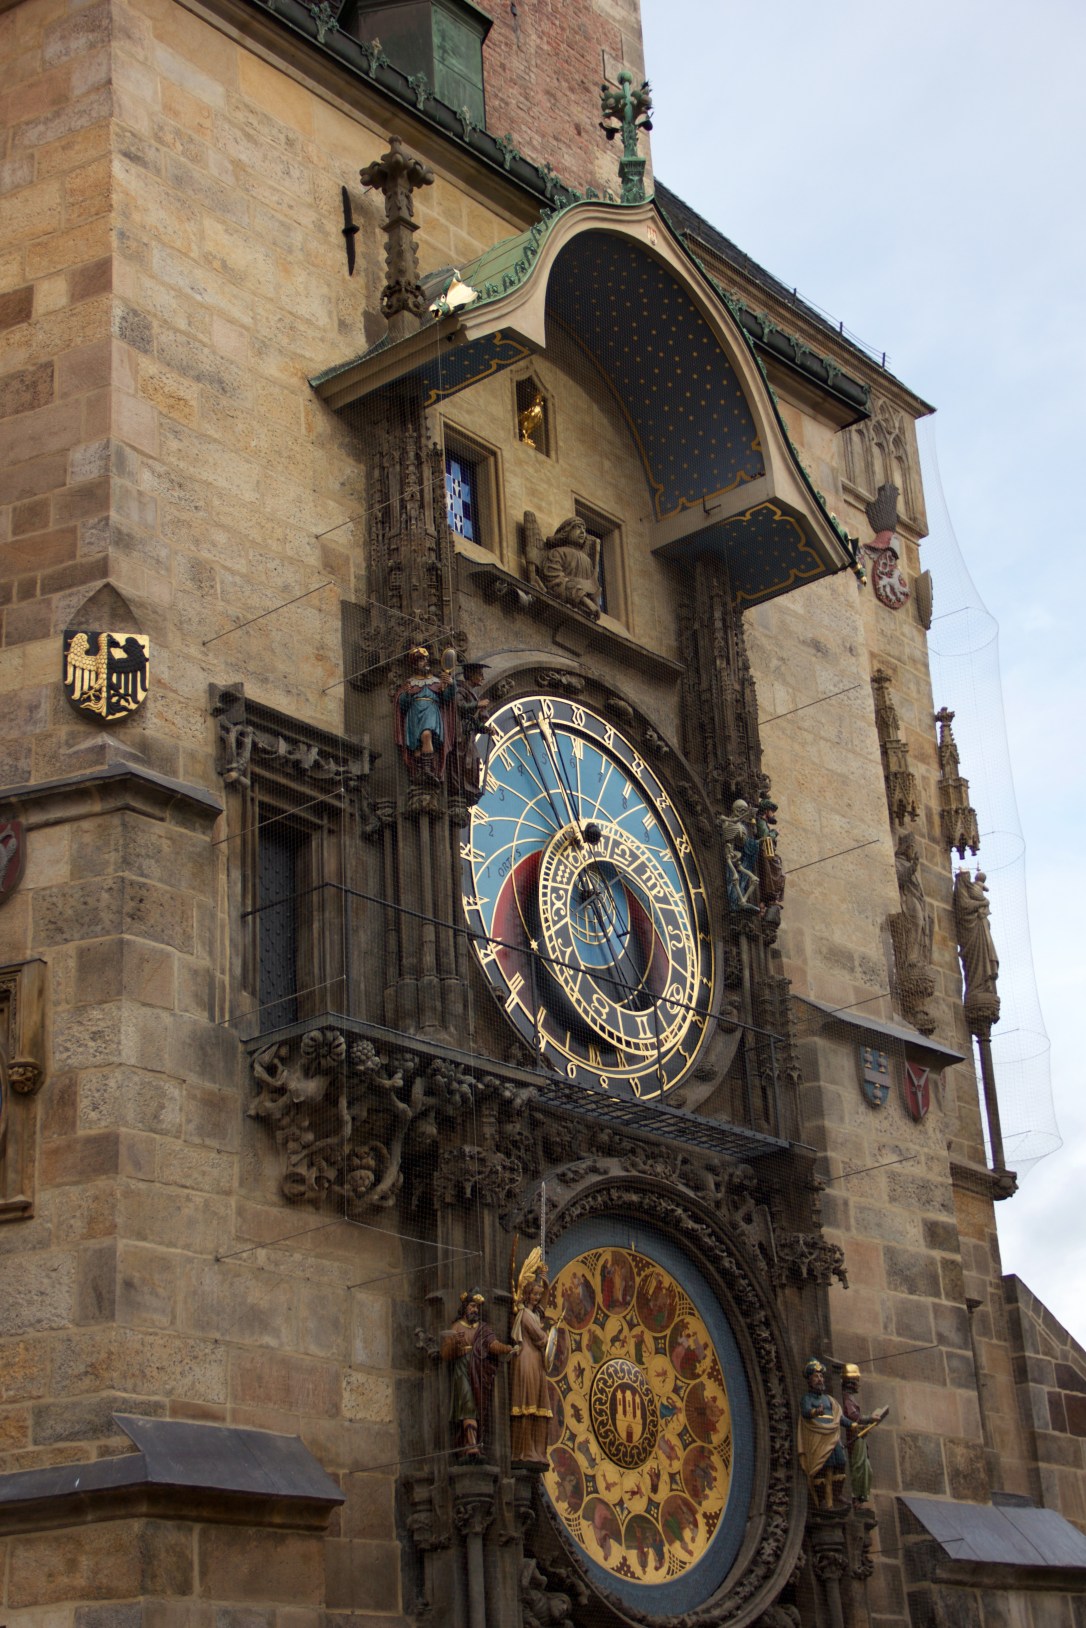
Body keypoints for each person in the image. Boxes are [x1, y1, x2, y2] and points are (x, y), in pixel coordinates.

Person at [440, 1289, 513, 1458]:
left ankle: (474, 1443)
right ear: (465, 1307)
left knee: (479, 1407)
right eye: (472, 1306)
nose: (475, 1310)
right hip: (462, 1370)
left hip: (479, 1371)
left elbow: (493, 1345)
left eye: (477, 1307)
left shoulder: (483, 1328)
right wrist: (454, 1344)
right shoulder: (456, 1326)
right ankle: (470, 1444)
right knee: (467, 1404)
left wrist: (507, 1348)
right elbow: (445, 1354)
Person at [510, 1248, 553, 1467]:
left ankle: (538, 1450)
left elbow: (543, 1306)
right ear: (526, 1295)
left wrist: (544, 1284)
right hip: (527, 1360)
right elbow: (540, 1337)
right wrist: (549, 1338)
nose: (537, 1298)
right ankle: (525, 1450)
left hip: (537, 1362)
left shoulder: (535, 1313)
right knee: (527, 1404)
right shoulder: (525, 1315)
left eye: (538, 1295)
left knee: (540, 1406)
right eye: (534, 1294)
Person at [393, 646, 457, 781]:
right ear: (415, 665)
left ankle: (428, 770)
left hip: (431, 711)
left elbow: (447, 698)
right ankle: (420, 770)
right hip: (414, 714)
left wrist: (451, 684)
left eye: (425, 659)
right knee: (417, 749)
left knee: (427, 735)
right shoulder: (410, 683)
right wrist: (407, 695)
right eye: (421, 660)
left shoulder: (437, 681)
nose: (425, 662)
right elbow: (402, 705)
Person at [797, 1358, 847, 1508]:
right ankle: (822, 1500)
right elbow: (805, 1412)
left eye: (821, 1376)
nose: (819, 1379)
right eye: (816, 1376)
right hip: (818, 1438)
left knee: (841, 1462)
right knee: (821, 1467)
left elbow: (839, 1418)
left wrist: (855, 1424)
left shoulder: (829, 1400)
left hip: (832, 1437)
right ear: (809, 1380)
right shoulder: (807, 1398)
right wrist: (814, 1411)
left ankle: (837, 1496)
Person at [840, 1363, 889, 1505]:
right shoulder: (846, 1398)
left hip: (860, 1437)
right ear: (851, 1383)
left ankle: (859, 1497)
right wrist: (870, 1418)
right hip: (854, 1438)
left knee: (866, 1469)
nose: (858, 1385)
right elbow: (853, 1416)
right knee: (860, 1468)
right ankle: (856, 1498)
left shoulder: (850, 1398)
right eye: (856, 1382)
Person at [540, 518, 602, 621]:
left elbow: (593, 588)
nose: (582, 531)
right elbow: (556, 582)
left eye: (584, 529)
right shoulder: (557, 553)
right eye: (578, 527)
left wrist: (594, 603)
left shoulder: (588, 561)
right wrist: (585, 601)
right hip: (563, 610)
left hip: (586, 614)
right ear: (566, 531)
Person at [954, 869, 1000, 999]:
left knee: (984, 958)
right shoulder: (962, 891)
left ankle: (985, 986)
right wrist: (983, 903)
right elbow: (964, 906)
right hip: (970, 933)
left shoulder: (973, 893)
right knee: (975, 961)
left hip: (980, 930)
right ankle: (976, 988)